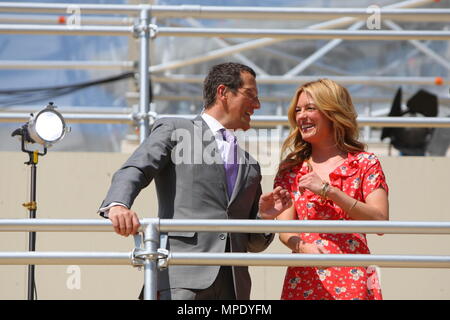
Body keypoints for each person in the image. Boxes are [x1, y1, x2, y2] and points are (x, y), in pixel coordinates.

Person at [98, 62, 291, 300]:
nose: (257, 105)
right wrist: (118, 204)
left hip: (233, 287)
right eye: (250, 95)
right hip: (181, 277)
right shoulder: (176, 129)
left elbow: (253, 244)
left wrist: (264, 218)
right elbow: (136, 167)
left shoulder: (251, 166)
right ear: (223, 92)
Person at [274, 79, 389, 300]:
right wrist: (302, 248)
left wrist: (329, 191)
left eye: (310, 108)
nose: (301, 116)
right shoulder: (291, 168)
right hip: (305, 275)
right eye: (298, 110)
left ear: (332, 112)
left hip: (353, 273)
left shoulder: (365, 163)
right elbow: (285, 230)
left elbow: (380, 221)